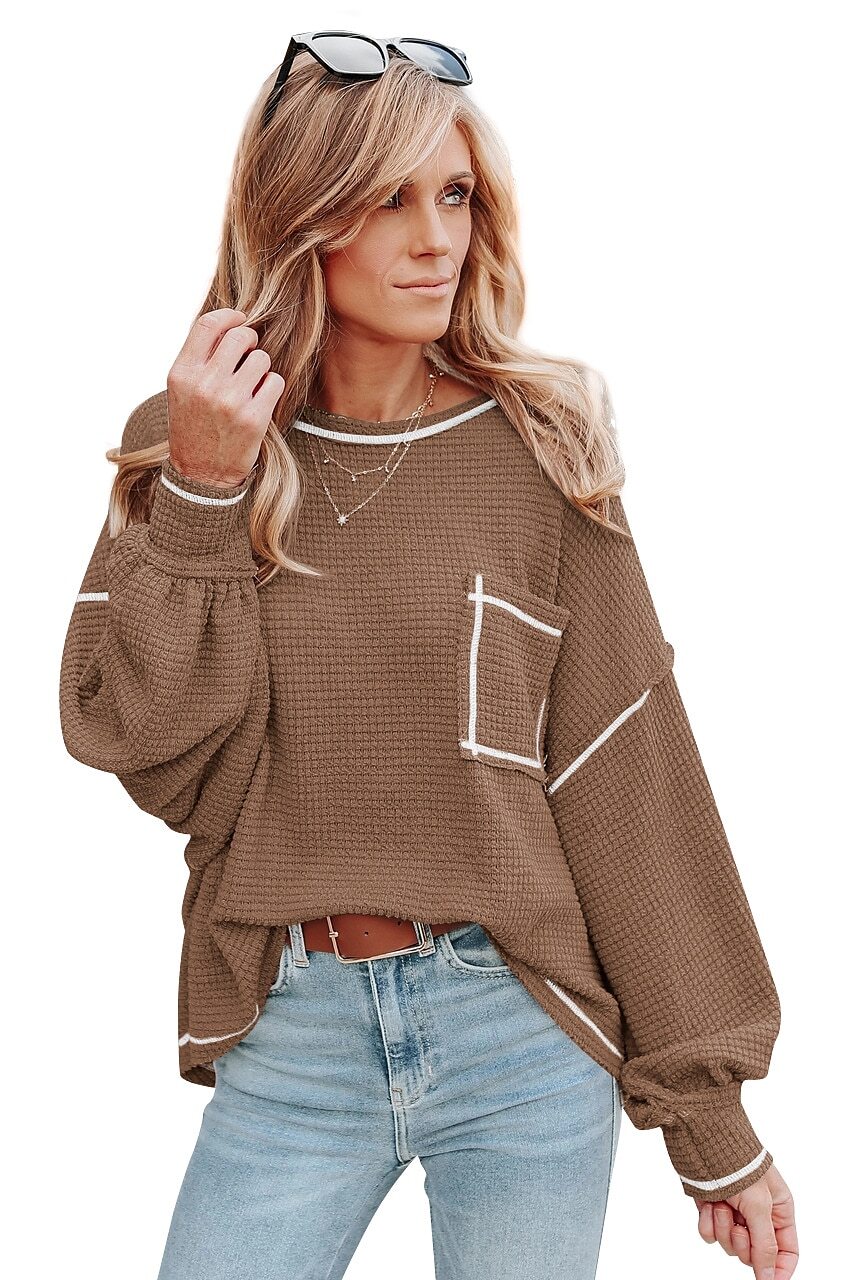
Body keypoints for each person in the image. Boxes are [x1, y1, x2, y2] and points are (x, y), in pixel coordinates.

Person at [58, 31, 798, 1280]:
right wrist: (203, 489)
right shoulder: (190, 441)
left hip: (521, 1031)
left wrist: (712, 1124)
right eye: (389, 199)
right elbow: (139, 747)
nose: (436, 239)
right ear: (299, 218)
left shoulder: (541, 450)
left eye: (453, 195)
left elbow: (627, 780)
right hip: (291, 1034)